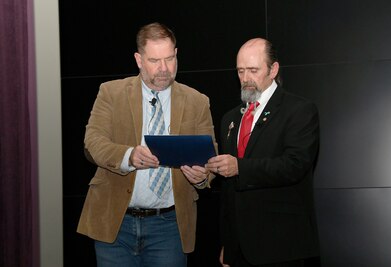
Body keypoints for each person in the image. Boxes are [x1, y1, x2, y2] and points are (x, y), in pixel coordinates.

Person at [77, 22, 217, 267]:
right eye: (154, 60)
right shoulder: (111, 92)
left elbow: (209, 156)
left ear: (177, 54)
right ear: (139, 60)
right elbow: (92, 142)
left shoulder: (197, 101)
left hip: (169, 227)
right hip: (115, 222)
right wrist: (128, 156)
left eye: (170, 58)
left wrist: (203, 175)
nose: (164, 68)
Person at [206, 38, 320, 267]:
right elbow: (229, 192)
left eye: (253, 70)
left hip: (282, 247)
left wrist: (240, 167)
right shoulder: (230, 119)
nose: (245, 78)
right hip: (239, 250)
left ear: (273, 69)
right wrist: (228, 243)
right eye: (240, 71)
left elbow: (295, 166)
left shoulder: (299, 110)